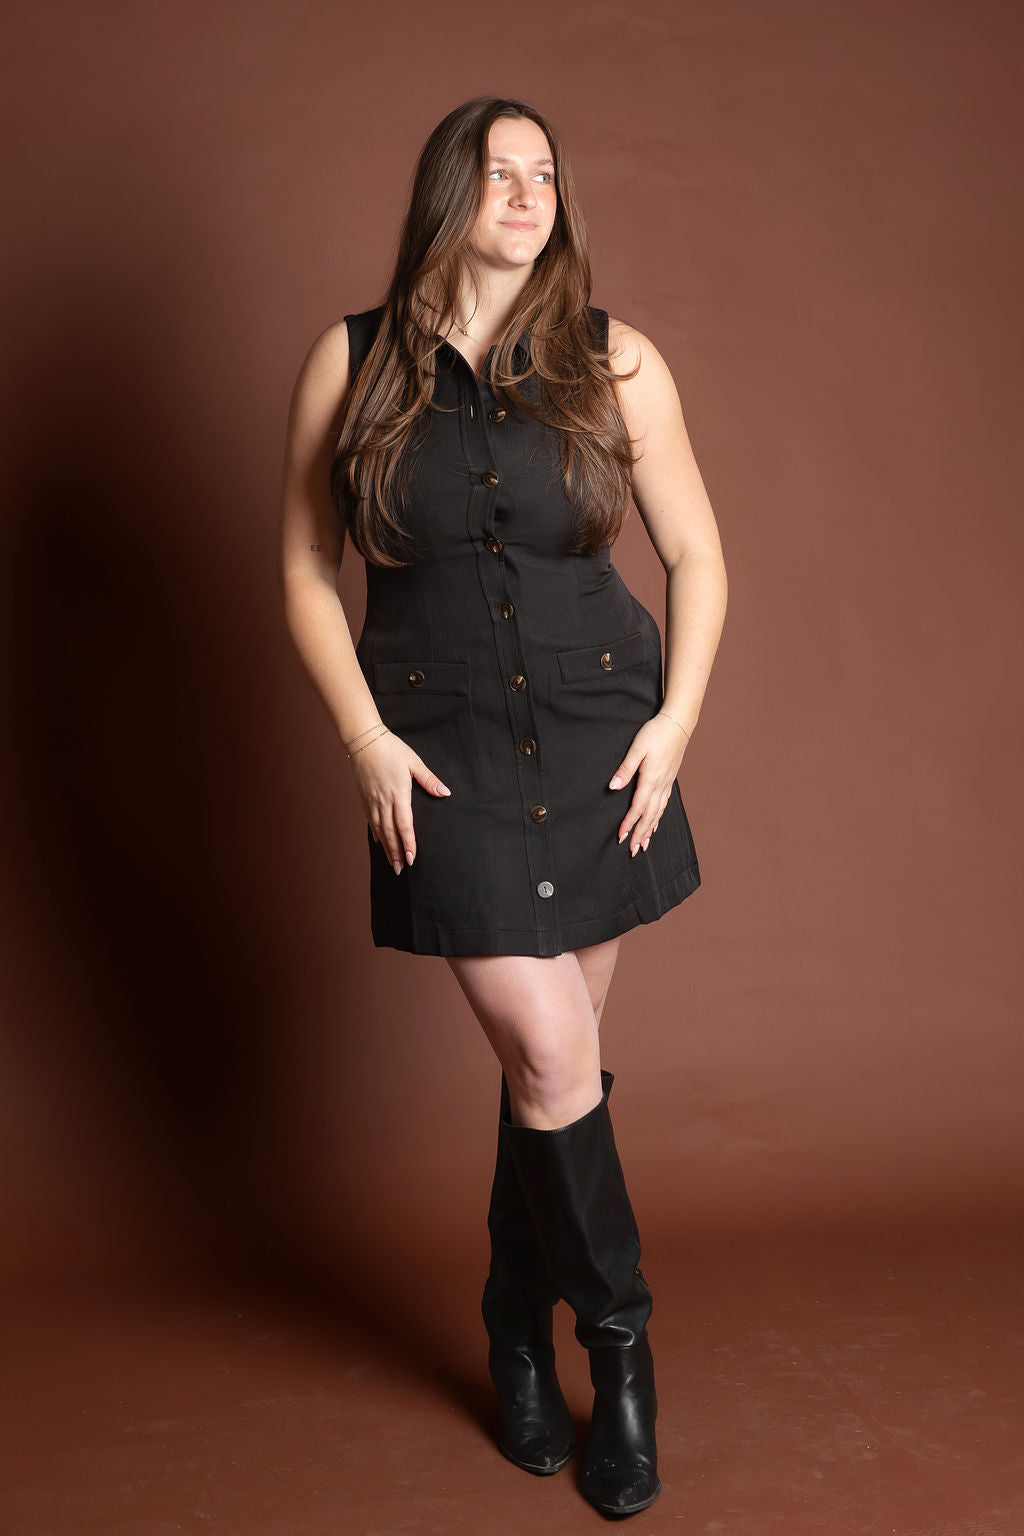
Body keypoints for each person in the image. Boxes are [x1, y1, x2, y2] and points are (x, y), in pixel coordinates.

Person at [279, 96, 727, 1519]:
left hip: (602, 751)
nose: (529, 193)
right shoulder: (352, 361)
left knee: (556, 1066)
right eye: (500, 171)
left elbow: (699, 554)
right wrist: (361, 734)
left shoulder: (616, 361)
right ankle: (622, 1354)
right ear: (446, 191)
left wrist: (675, 725)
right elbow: (302, 567)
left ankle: (511, 1326)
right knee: (550, 1051)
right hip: (442, 756)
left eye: (546, 174)